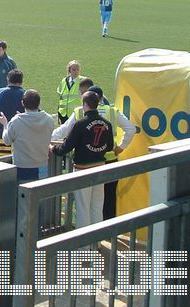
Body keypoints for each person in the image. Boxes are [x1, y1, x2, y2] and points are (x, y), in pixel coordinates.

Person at [51, 84, 135, 220]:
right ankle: (102, 235)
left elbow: (64, 133)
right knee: (102, 203)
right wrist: (120, 147)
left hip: (84, 164)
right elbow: (129, 129)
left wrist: (50, 142)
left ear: (86, 103)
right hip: (106, 161)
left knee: (83, 206)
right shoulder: (111, 113)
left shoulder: (79, 114)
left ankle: (84, 240)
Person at [50, 91, 114, 228]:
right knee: (97, 206)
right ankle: (96, 242)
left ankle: (83, 246)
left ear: (85, 105)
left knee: (83, 207)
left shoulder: (80, 124)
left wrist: (53, 149)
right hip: (100, 166)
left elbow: (66, 147)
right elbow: (110, 147)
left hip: (82, 168)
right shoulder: (107, 123)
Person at [0, 89, 54, 183]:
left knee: (22, 196)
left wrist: (5, 124)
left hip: (22, 168)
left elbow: (7, 141)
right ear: (39, 103)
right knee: (40, 196)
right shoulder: (49, 119)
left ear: (22, 103)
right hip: (42, 166)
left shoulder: (16, 121)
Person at [0, 69, 25, 142]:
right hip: (20, 138)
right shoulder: (26, 94)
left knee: (0, 153)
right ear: (21, 81)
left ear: (7, 79)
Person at [56, 60, 86, 125]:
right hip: (63, 113)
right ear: (69, 70)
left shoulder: (83, 81)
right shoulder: (64, 80)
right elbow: (60, 96)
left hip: (75, 114)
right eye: (74, 69)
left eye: (77, 69)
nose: (76, 71)